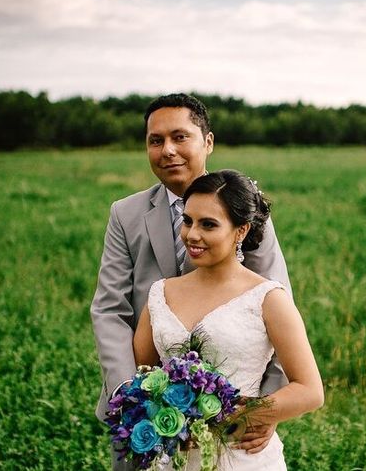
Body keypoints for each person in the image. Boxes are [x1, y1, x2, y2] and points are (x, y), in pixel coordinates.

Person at [91, 94, 292, 470]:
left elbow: (277, 302)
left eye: (180, 137)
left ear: (208, 142)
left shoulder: (244, 207)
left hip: (235, 422)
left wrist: (265, 409)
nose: (168, 150)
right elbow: (109, 308)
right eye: (155, 140)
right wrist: (132, 400)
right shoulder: (125, 213)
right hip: (145, 417)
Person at [133, 170, 324, 470]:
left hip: (241, 455)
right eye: (187, 221)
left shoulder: (269, 299)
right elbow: (141, 376)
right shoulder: (161, 293)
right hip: (173, 458)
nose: (192, 234)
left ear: (241, 231)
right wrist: (164, 414)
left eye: (208, 224)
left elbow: (310, 391)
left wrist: (241, 416)